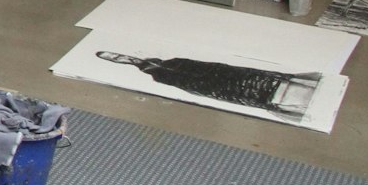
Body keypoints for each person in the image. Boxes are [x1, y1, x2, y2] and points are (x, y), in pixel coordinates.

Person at [96, 52, 320, 118]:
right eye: (114, 59)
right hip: (226, 89)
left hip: (242, 78)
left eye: (116, 55)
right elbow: (193, 86)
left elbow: (208, 67)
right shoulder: (160, 76)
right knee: (240, 91)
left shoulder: (174, 62)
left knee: (248, 81)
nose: (120, 58)